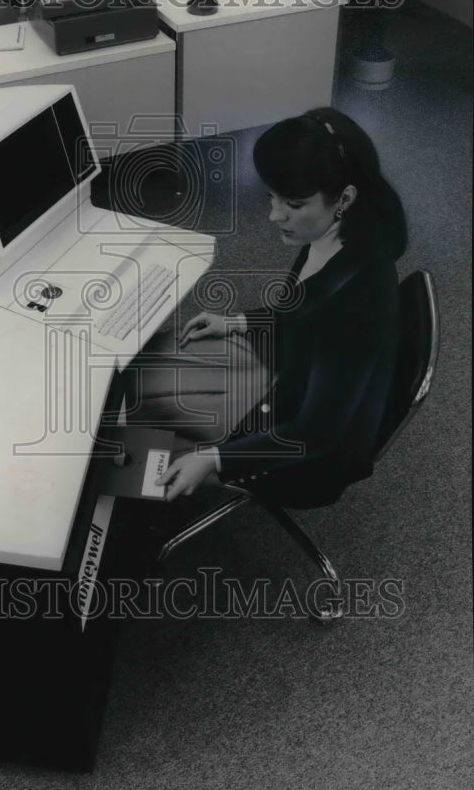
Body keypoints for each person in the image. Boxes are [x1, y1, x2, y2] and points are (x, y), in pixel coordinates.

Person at [124, 107, 408, 511]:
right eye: (272, 197)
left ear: (345, 197)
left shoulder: (359, 299)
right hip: (288, 377)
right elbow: (301, 311)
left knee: (140, 397)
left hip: (307, 453)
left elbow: (317, 433)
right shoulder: (338, 231)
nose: (275, 215)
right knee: (140, 368)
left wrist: (215, 458)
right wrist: (237, 321)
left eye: (292, 203)